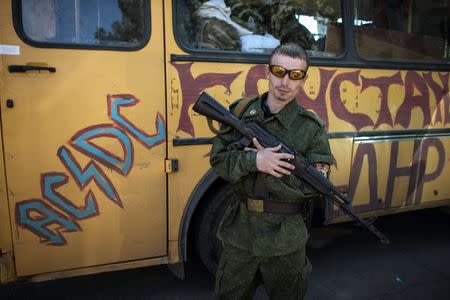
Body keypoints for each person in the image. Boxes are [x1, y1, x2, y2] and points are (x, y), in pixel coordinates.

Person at [210, 43, 333, 299]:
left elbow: (315, 186)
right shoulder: (241, 112)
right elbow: (219, 160)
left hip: (285, 240)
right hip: (240, 234)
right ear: (267, 72)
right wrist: (254, 161)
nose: (285, 81)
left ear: (303, 80)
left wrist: (269, 169)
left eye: (295, 75)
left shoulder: (311, 128)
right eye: (279, 71)